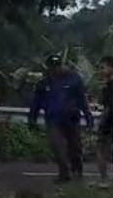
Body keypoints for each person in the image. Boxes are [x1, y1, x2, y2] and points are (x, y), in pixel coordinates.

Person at [28, 54, 93, 183]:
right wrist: (32, 118)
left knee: (75, 147)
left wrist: (88, 117)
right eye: (52, 67)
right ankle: (64, 173)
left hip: (72, 119)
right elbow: (36, 102)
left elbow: (82, 101)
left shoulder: (74, 80)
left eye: (57, 66)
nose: (55, 70)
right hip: (53, 120)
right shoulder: (43, 83)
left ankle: (77, 169)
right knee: (58, 147)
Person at [96, 55, 113, 182]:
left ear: (112, 68)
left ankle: (104, 179)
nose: (101, 71)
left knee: (101, 150)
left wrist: (102, 122)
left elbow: (110, 106)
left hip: (110, 122)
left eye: (103, 68)